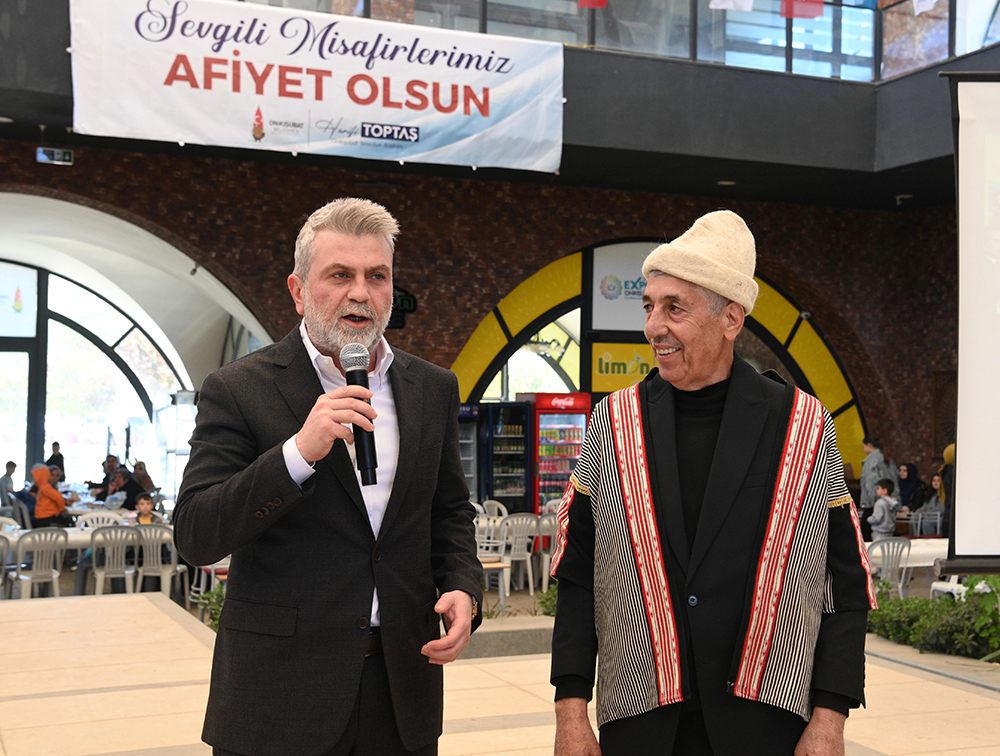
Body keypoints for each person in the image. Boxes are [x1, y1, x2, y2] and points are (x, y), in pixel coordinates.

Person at [549, 210, 876, 756]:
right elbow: (577, 572)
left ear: (731, 319)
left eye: (675, 308)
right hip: (641, 721)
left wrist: (831, 717)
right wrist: (570, 713)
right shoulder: (612, 421)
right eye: (649, 306)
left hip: (766, 722)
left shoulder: (803, 424)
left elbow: (848, 581)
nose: (654, 326)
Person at [173, 198, 483, 756]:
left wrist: (463, 585)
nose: (360, 293)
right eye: (340, 275)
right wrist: (297, 453)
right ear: (297, 290)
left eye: (377, 276)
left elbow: (449, 511)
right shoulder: (238, 388)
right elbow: (197, 533)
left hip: (400, 694)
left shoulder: (431, 387)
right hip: (278, 700)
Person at [859, 437, 895, 540]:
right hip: (885, 496)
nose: (863, 449)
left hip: (873, 500)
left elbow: (870, 482)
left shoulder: (871, 461)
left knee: (866, 532)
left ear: (869, 445)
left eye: (864, 446)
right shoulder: (885, 458)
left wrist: (871, 498)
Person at [31, 463, 72, 527]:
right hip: (46, 518)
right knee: (68, 521)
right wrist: (60, 510)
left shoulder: (42, 488)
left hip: (40, 516)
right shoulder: (45, 487)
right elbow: (59, 497)